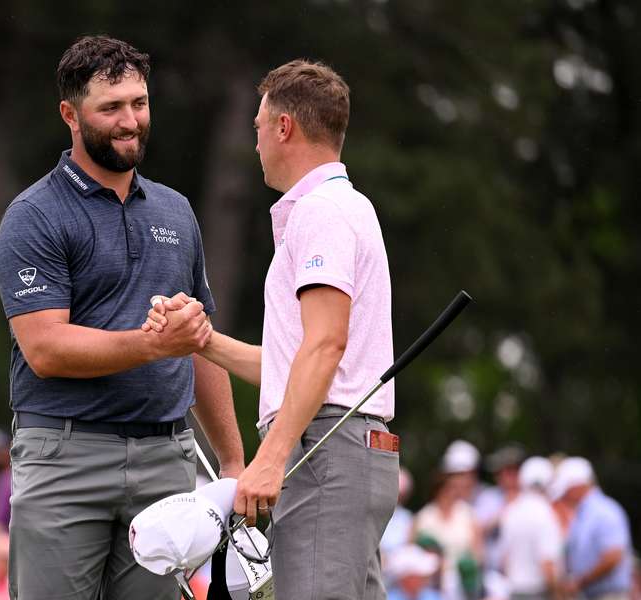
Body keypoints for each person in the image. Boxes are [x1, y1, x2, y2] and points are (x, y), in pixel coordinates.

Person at [0, 35, 244, 600]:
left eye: (140, 103)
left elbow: (199, 341)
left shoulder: (177, 211)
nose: (131, 121)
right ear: (70, 115)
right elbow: (46, 348)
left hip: (165, 461)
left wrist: (231, 462)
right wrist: (157, 345)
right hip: (64, 460)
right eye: (111, 107)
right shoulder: (34, 215)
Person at [146, 59, 398, 599]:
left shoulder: (321, 211)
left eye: (258, 126)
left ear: (284, 127)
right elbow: (297, 362)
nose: (255, 141)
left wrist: (271, 457)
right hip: (346, 448)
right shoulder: (346, 206)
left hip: (324, 449)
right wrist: (204, 341)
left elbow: (326, 346)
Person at [550, 457, 633, 599]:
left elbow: (613, 556)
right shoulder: (584, 514)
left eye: (566, 491)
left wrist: (581, 581)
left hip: (609, 595)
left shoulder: (604, 511)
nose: (564, 497)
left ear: (577, 487)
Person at [411, 470, 483, 599]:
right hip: (432, 584)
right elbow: (411, 550)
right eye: (448, 489)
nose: (451, 493)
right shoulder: (424, 517)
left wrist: (471, 566)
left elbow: (478, 551)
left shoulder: (468, 514)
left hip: (463, 582)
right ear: (438, 490)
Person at [498, 456, 562, 600]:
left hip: (514, 592)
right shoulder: (546, 514)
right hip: (538, 593)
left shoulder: (511, 511)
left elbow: (504, 560)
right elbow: (548, 564)